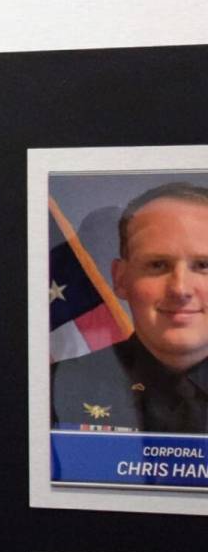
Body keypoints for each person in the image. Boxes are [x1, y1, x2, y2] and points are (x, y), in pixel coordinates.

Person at [53, 183, 208, 434]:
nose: (180, 289)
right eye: (157, 265)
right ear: (121, 279)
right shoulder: (55, 389)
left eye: (203, 265)